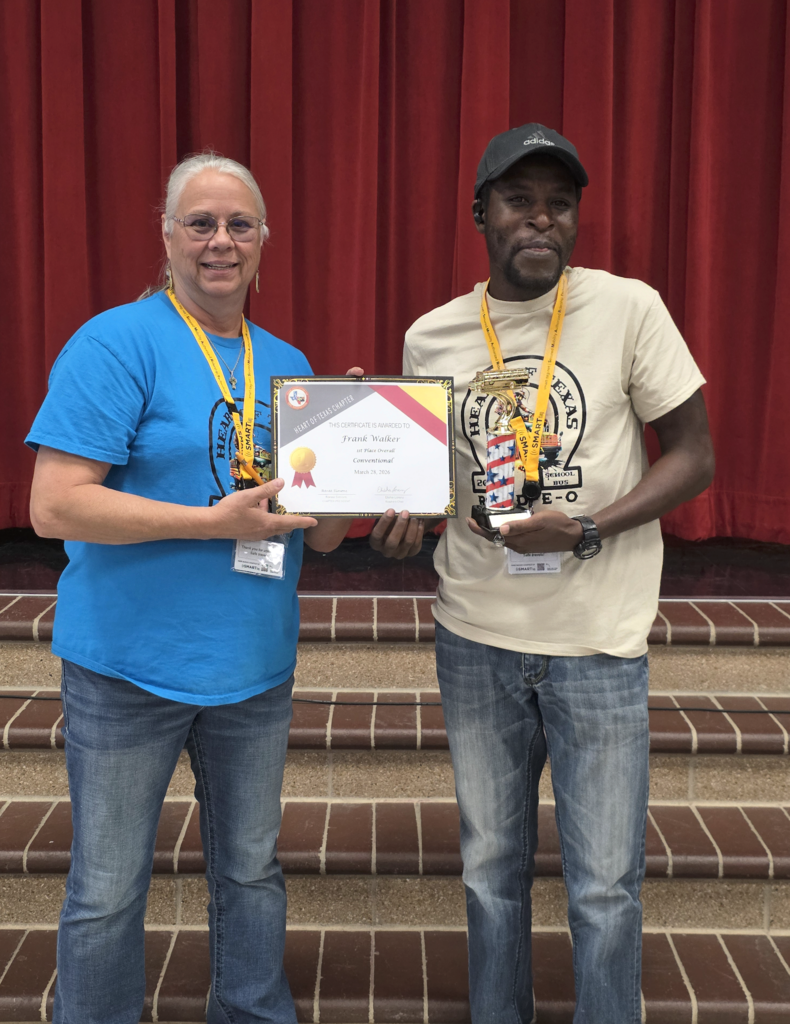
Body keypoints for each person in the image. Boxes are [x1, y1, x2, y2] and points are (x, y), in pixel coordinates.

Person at [372, 124, 714, 1023]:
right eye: (519, 200)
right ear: (480, 213)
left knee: (604, 885)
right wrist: (398, 522)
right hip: (476, 636)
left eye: (560, 204)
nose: (541, 220)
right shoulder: (432, 336)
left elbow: (694, 456)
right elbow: (434, 489)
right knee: (490, 872)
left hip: (598, 641)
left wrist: (590, 524)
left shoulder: (630, 308)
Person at [26, 153, 354, 1024]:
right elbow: (54, 506)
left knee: (250, 873)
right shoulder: (115, 343)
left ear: (264, 241)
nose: (220, 242)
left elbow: (320, 534)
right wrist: (211, 524)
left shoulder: (287, 364)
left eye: (239, 225)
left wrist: (355, 453)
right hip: (127, 668)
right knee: (106, 889)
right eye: (200, 223)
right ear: (167, 235)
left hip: (252, 669)